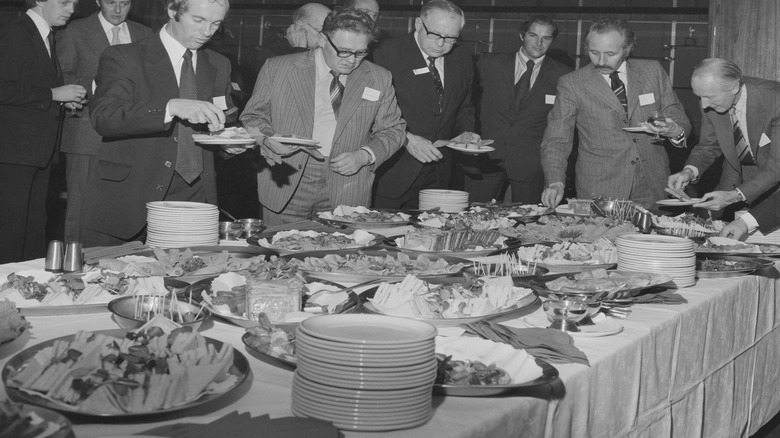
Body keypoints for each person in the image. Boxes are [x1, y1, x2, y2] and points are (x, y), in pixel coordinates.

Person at [83, 0, 240, 247]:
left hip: (196, 194)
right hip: (132, 195)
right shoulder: (124, 56)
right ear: (172, 11)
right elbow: (104, 116)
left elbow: (223, 117)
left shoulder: (219, 64)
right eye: (198, 20)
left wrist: (229, 143)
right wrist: (171, 107)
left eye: (216, 23)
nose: (207, 32)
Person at [240, 7, 406, 226]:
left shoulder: (379, 77)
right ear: (321, 39)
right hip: (287, 179)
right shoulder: (278, 68)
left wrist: (364, 156)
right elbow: (252, 117)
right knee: (281, 253)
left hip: (348, 187)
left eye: (360, 53)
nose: (352, 61)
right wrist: (269, 140)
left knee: (340, 258)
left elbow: (394, 130)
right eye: (344, 51)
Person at [540, 18, 691, 210]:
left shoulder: (653, 71)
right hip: (600, 186)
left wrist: (675, 130)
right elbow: (556, 139)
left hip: (652, 183)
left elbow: (679, 118)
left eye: (610, 54)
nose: (601, 61)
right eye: (594, 53)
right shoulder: (572, 83)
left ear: (627, 48)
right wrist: (555, 181)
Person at [57, 0, 152, 243]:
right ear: (98, 1)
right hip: (86, 134)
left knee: (126, 209)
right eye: (111, 2)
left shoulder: (145, 34)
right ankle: (75, 269)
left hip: (133, 136)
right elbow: (61, 77)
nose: (118, 10)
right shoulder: (75, 31)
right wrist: (99, 84)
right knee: (80, 211)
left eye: (125, 3)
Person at [0, 0, 86, 263]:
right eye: (64, 2)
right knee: (11, 231)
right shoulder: (16, 32)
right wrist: (53, 94)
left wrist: (60, 99)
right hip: (14, 152)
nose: (71, 9)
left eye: (74, 2)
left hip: (36, 151)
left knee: (33, 226)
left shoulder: (47, 35)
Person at [371, 0, 477, 209]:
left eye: (450, 38)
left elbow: (465, 106)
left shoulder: (462, 59)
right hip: (394, 168)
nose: (441, 43)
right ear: (418, 24)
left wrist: (466, 133)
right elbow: (369, 113)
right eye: (435, 34)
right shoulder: (385, 54)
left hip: (440, 171)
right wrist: (405, 139)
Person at [463, 15, 572, 204]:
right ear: (522, 35)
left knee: (528, 224)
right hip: (485, 158)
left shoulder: (563, 75)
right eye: (533, 35)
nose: (539, 43)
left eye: (546, 38)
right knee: (474, 219)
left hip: (530, 165)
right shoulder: (488, 64)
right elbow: (466, 104)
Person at [667, 58, 780, 240]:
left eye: (710, 97)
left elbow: (776, 167)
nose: (704, 105)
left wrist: (734, 196)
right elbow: (708, 145)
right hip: (736, 190)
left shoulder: (775, 100)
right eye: (699, 97)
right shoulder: (711, 98)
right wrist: (688, 172)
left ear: (734, 87)